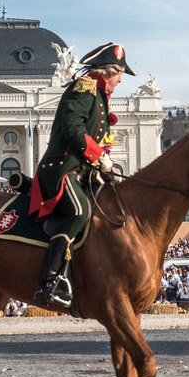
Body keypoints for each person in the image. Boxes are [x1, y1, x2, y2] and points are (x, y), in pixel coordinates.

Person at [29, 41, 135, 308]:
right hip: (63, 169)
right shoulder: (84, 88)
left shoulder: (98, 95)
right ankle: (48, 283)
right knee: (78, 212)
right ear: (109, 71)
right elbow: (73, 128)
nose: (121, 81)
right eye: (120, 74)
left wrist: (103, 162)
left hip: (82, 170)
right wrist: (99, 156)